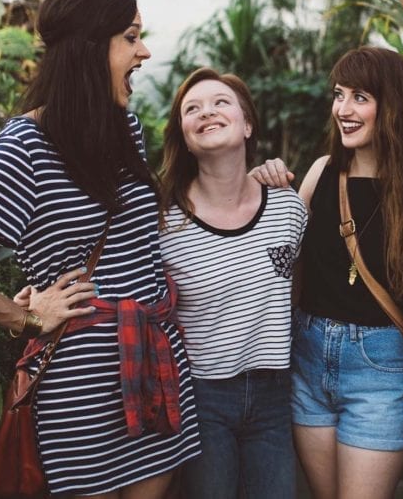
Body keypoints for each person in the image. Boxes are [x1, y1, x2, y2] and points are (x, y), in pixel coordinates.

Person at [0, 0, 201, 499]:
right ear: (91, 49)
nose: (145, 51)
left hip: (155, 366)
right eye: (131, 37)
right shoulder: (25, 144)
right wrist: (21, 316)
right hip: (83, 385)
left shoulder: (126, 130)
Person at [257, 46, 403, 499]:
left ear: (393, 107)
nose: (344, 109)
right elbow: (275, 258)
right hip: (309, 356)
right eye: (339, 95)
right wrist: (258, 188)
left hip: (381, 366)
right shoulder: (322, 172)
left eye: (360, 97)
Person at [157, 67, 308, 498]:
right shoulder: (164, 223)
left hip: (274, 394)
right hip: (202, 399)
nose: (207, 112)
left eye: (221, 102)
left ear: (247, 125)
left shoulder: (287, 209)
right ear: (184, 137)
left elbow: (299, 283)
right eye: (192, 109)